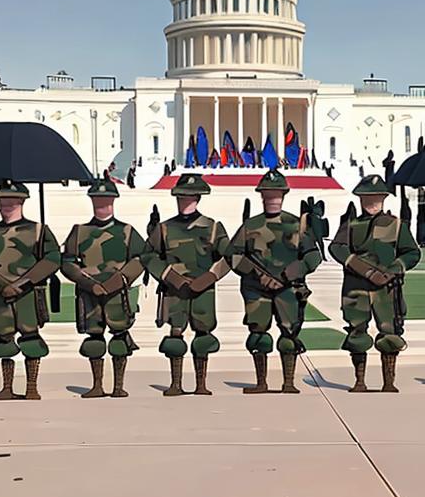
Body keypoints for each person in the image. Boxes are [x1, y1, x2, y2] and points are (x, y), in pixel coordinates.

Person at [227, 169, 322, 393]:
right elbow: (233, 255)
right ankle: (261, 382)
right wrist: (257, 275)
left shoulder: (296, 225)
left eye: (276, 194)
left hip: (287, 289)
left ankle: (288, 382)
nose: (272, 199)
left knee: (289, 335)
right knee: (258, 334)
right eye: (268, 194)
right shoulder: (250, 226)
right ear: (262, 197)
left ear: (283, 196)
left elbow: (312, 255)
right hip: (256, 289)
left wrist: (288, 274)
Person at [0, 180, 61, 400]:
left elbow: (53, 258)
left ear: (21, 202)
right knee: (3, 340)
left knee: (31, 339)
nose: (5, 207)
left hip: (28, 294)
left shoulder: (38, 231)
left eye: (10, 202)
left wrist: (25, 282)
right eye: (2, 202)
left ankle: (31, 386)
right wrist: (0, 284)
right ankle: (7, 387)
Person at [329, 174, 421, 392]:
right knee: (356, 331)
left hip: (387, 289)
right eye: (368, 198)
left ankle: (389, 382)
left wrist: (393, 270)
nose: (373, 203)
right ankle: (359, 381)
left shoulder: (396, 225)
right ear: (360, 200)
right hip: (356, 287)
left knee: (390, 332)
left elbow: (412, 253)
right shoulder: (351, 224)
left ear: (384, 199)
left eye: (377, 198)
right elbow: (337, 248)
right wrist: (364, 269)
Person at [142, 173, 231, 396]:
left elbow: (229, 257)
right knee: (175, 335)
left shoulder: (212, 227)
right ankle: (176, 383)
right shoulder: (164, 228)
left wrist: (209, 277)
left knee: (203, 335)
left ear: (198, 198)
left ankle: (201, 384)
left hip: (203, 290)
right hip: (174, 290)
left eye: (190, 197)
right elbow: (148, 256)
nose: (186, 200)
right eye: (183, 196)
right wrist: (169, 276)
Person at [60, 174, 147, 398]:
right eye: (97, 201)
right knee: (94, 340)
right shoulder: (79, 231)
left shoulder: (127, 232)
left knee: (119, 338)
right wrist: (88, 283)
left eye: (106, 201)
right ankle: (97, 385)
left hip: (118, 295)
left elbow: (140, 259)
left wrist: (117, 282)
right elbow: (67, 262)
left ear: (113, 201)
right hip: (90, 295)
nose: (102, 205)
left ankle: (118, 385)